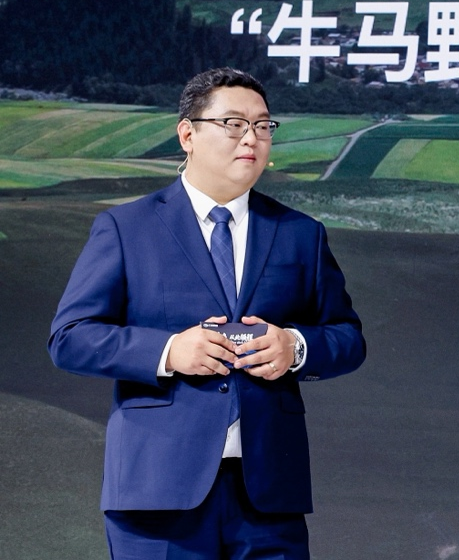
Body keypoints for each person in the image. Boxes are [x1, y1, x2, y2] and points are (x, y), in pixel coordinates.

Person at [49, 67, 366, 560]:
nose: (251, 138)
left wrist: (296, 347)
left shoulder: (300, 233)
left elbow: (347, 336)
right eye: (233, 123)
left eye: (262, 125)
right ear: (187, 135)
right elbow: (70, 336)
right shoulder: (126, 227)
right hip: (157, 492)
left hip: (268, 494)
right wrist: (168, 351)